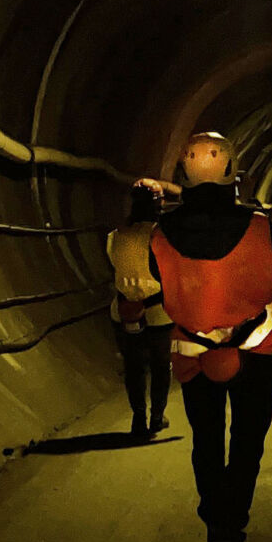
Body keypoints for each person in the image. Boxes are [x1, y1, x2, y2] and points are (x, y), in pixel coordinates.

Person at [150, 132, 272, 542]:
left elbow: (157, 280)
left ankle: (216, 522)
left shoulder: (163, 230)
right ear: (233, 173)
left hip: (193, 351)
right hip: (252, 346)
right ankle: (235, 518)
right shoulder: (257, 224)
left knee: (207, 437)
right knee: (248, 437)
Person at [107, 178, 174, 437]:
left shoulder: (116, 235)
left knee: (134, 367)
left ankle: (138, 417)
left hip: (125, 311)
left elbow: (113, 267)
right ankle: (156, 416)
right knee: (160, 365)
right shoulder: (162, 235)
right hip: (158, 310)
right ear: (158, 203)